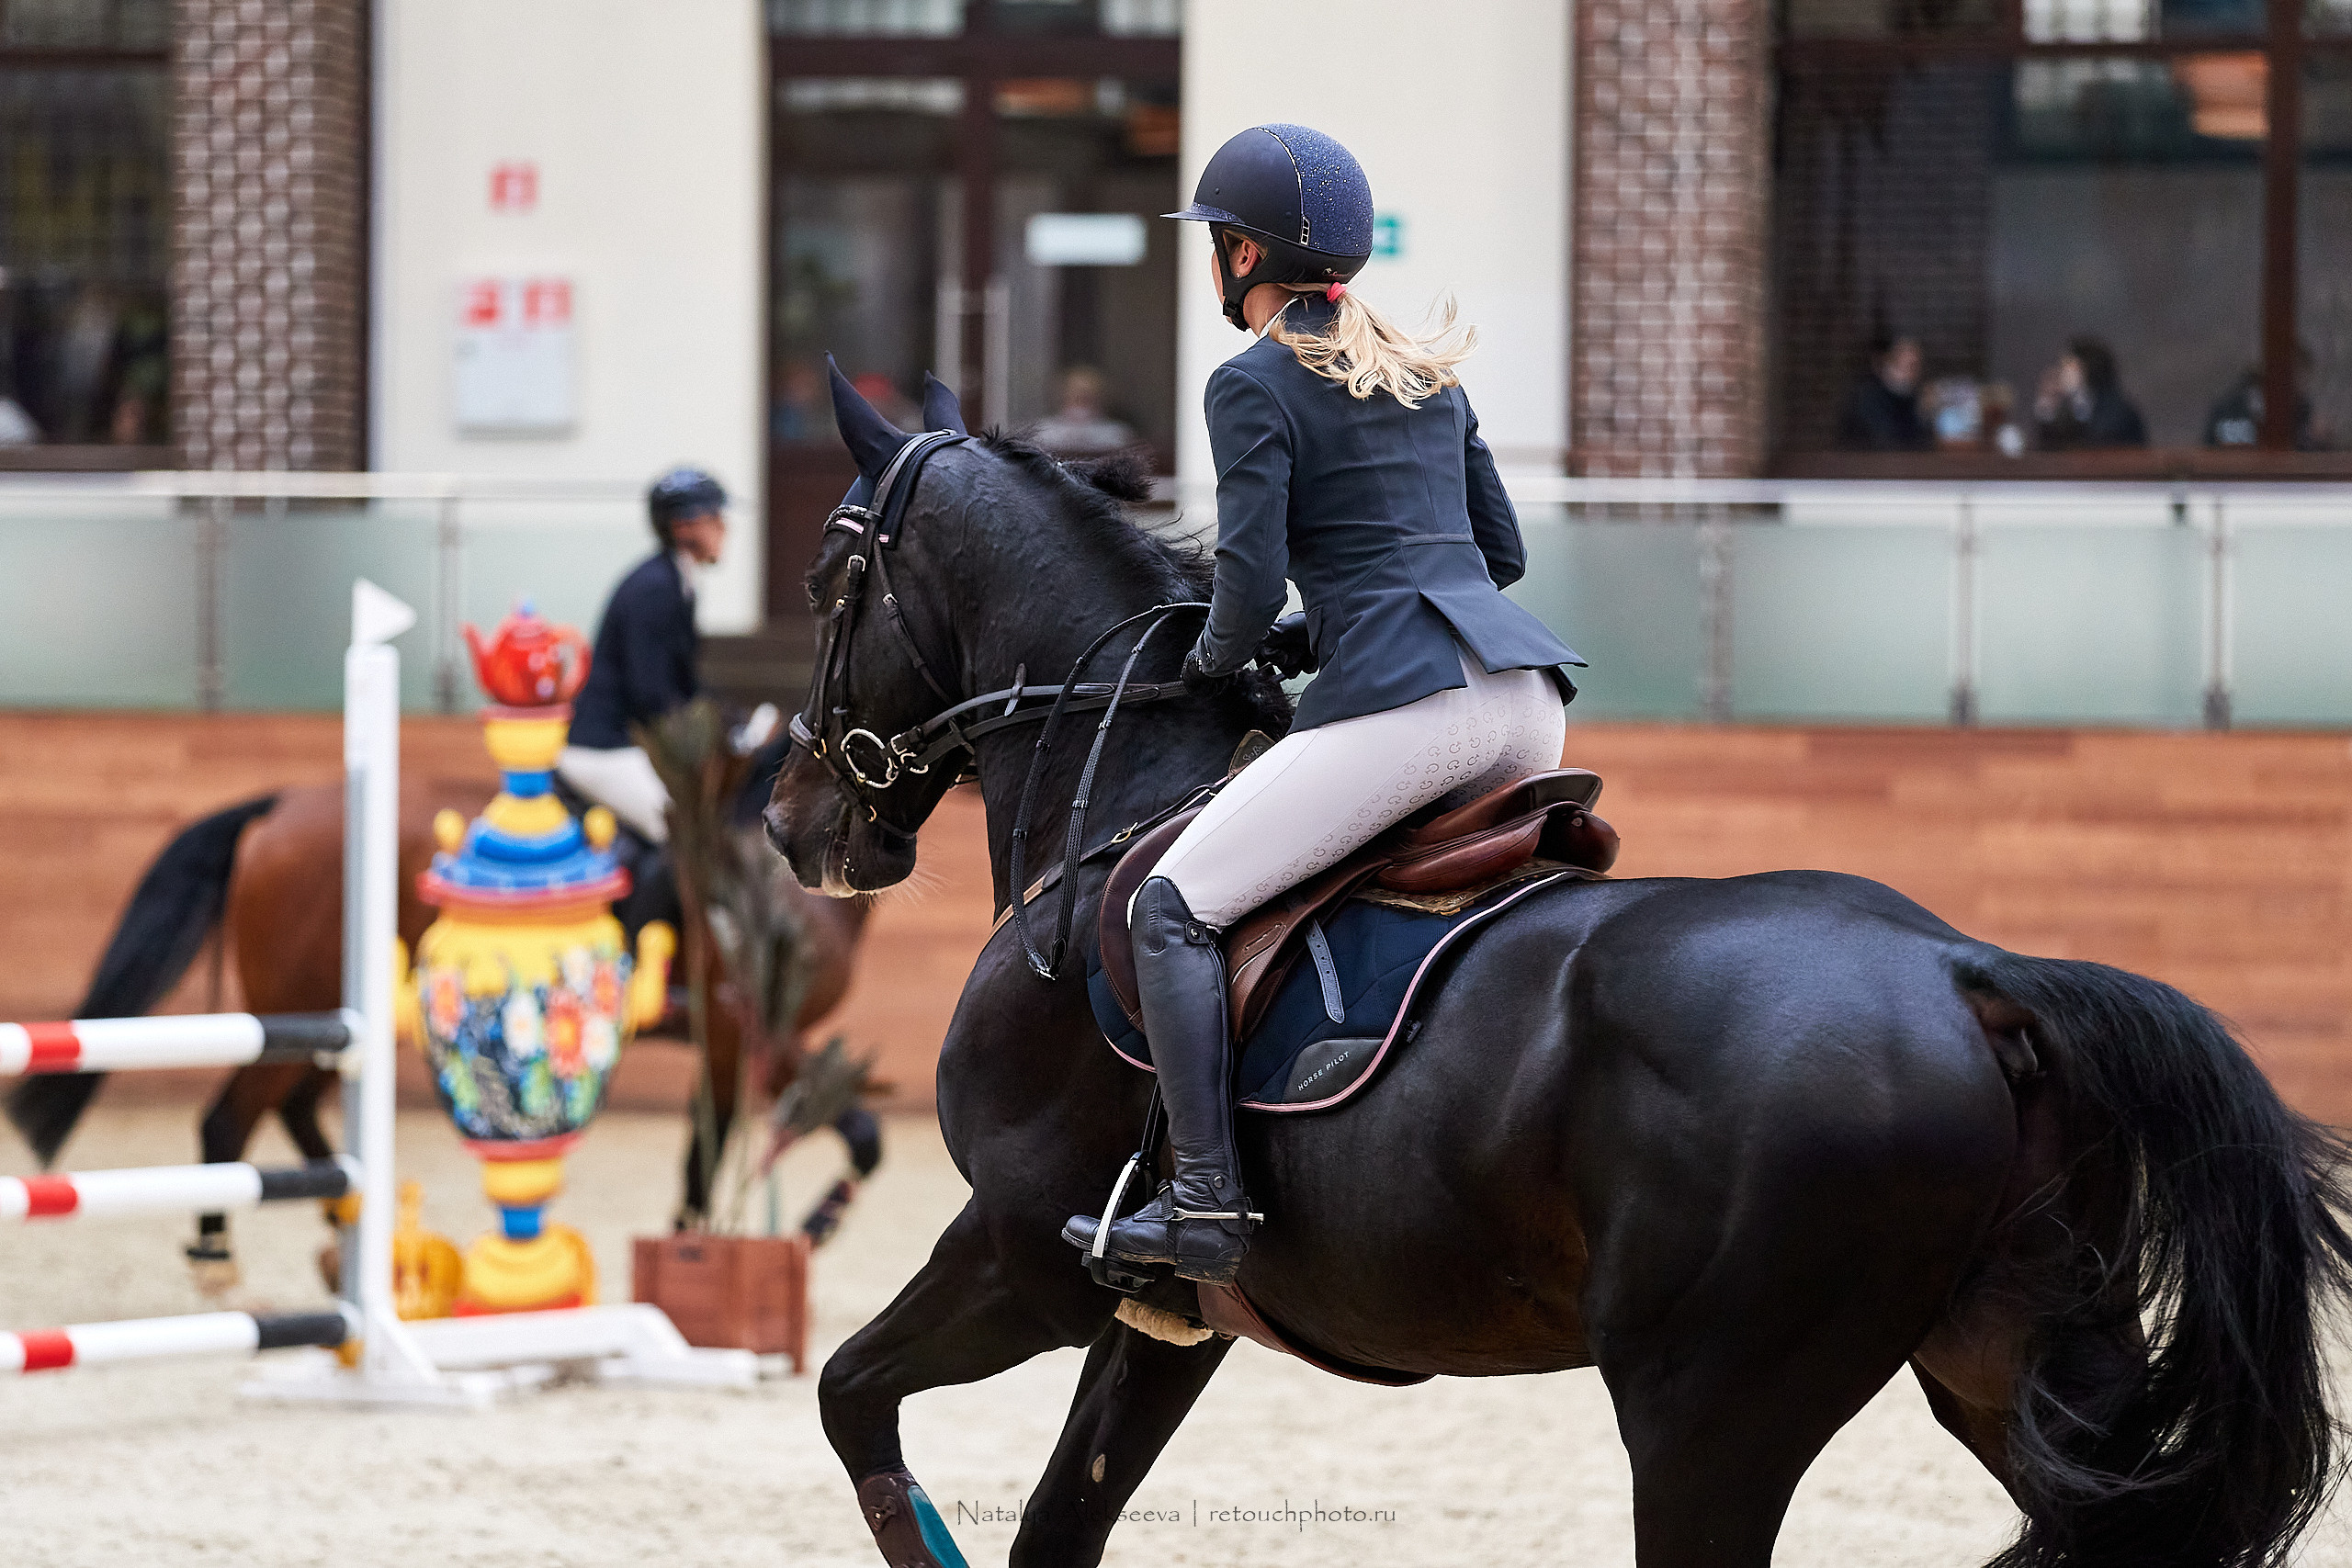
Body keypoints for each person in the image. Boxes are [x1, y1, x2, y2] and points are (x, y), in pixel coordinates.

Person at [1061, 124, 1583, 1285]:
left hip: (1412, 709)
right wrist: (1326, 628)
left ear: (1242, 256)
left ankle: (1205, 1202)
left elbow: (1245, 587)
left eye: (1215, 242)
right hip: (1525, 702)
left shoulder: (1250, 381)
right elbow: (1495, 555)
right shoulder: (1424, 368)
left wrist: (1212, 663)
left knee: (1172, 909)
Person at [557, 467, 728, 844]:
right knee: (679, 832)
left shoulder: (676, 581)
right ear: (683, 527)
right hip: (604, 749)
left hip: (626, 743)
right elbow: (650, 689)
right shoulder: (655, 587)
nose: (723, 528)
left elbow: (681, 680)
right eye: (714, 518)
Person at [2034, 336, 2146, 450]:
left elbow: (2096, 445)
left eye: (2068, 365)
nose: (2061, 371)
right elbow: (2049, 448)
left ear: (2087, 366)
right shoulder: (2069, 408)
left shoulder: (2116, 409)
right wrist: (2047, 404)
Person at [1836, 333, 1935, 452]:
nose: (1912, 373)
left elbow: (1924, 442)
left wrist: (1925, 415)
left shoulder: (1915, 397)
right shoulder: (1869, 396)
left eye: (1915, 366)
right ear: (1890, 362)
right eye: (1907, 365)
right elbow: (1886, 439)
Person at [1031, 365, 1137, 456]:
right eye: (1075, 394)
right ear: (1063, 395)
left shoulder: (1116, 433)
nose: (1081, 399)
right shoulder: (1043, 431)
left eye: (1087, 396)